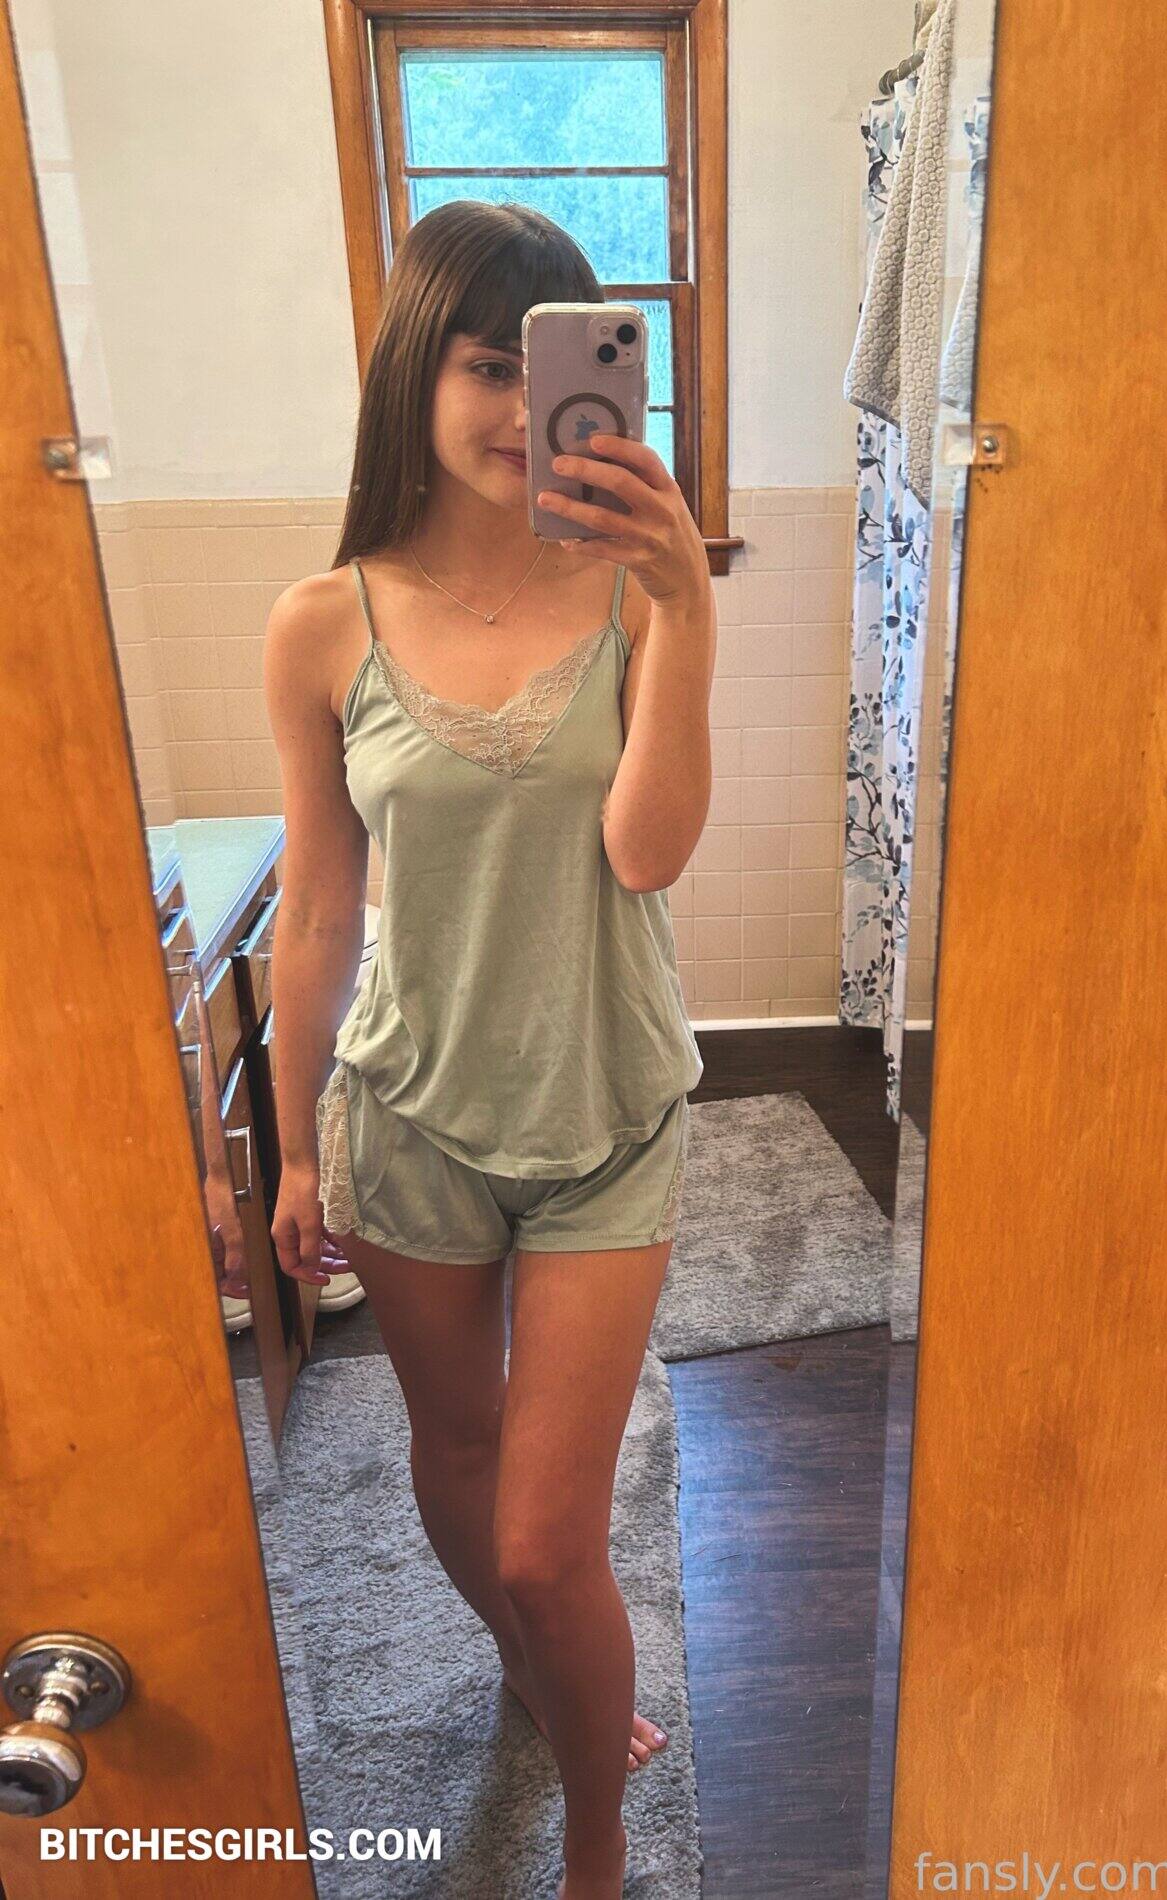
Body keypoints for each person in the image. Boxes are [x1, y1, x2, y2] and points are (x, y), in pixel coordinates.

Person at [263, 200, 715, 1900]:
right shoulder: (322, 622)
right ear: (417, 374)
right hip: (411, 1115)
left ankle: (595, 1831)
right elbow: (320, 907)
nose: (524, 409)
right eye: (483, 365)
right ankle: (535, 1680)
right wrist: (291, 1148)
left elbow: (647, 855)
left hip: (606, 1109)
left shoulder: (636, 595)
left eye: (553, 367)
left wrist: (687, 606)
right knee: (455, 1460)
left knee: (545, 1539)